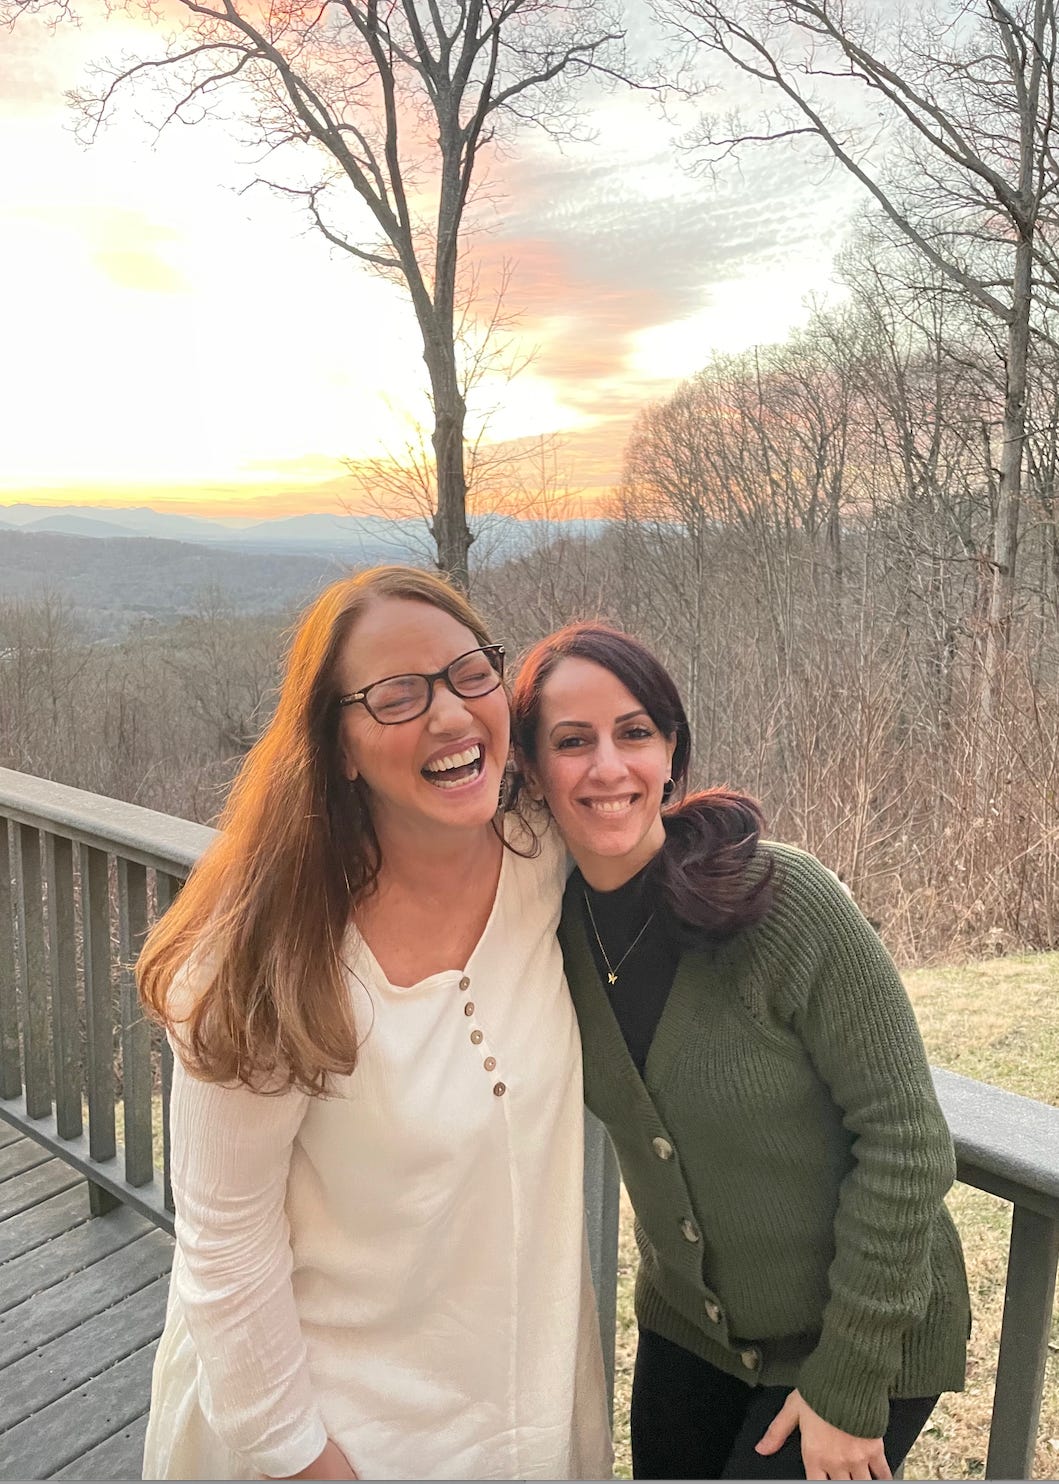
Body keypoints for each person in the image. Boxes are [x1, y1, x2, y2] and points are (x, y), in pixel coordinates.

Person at [138, 568, 612, 1483]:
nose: (448, 715)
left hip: (518, 1408)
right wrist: (301, 1458)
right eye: (397, 695)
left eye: (470, 674)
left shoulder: (541, 858)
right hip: (327, 1431)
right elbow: (225, 1246)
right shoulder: (262, 957)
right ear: (340, 748)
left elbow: (650, 826)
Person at [511, 621, 970, 1483]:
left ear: (670, 752)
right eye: (571, 742)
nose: (607, 767)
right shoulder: (544, 932)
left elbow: (907, 1140)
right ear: (532, 769)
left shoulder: (781, 899)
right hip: (691, 1333)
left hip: (860, 1332)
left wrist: (847, 1380)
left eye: (634, 732)